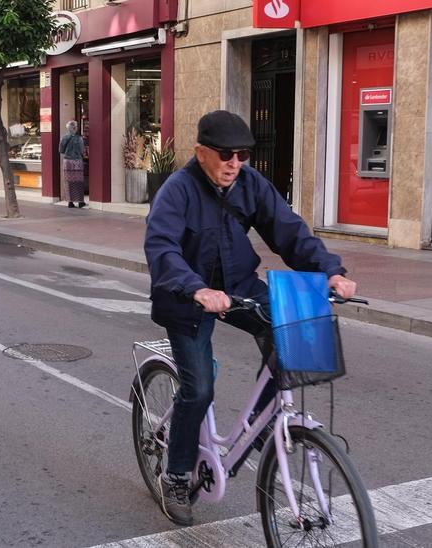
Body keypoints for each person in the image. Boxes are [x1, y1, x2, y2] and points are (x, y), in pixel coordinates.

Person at [143, 110, 356, 527]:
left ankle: (261, 425)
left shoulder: (249, 183)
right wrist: (196, 288)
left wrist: (331, 270)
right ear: (201, 152)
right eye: (225, 154)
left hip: (237, 284)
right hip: (186, 296)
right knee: (199, 387)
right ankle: (177, 475)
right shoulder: (177, 191)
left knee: (290, 334)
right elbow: (162, 248)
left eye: (242, 154)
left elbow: (289, 231)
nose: (234, 163)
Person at [59, 121, 86, 208]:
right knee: (78, 181)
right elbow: (82, 151)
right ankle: (80, 202)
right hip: (77, 162)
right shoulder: (79, 139)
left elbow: (61, 150)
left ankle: (70, 202)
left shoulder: (64, 137)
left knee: (69, 182)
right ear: (74, 128)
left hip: (67, 162)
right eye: (76, 127)